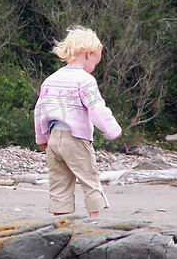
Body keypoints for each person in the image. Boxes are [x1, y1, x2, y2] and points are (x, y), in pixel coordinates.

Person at [34, 25, 122, 218]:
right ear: (89, 54)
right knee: (89, 180)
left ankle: (60, 225)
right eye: (96, 62)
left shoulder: (50, 80)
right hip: (75, 138)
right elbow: (96, 108)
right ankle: (94, 221)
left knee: (59, 183)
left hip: (53, 138)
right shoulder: (85, 80)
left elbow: (39, 110)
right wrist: (112, 130)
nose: (94, 67)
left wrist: (42, 137)